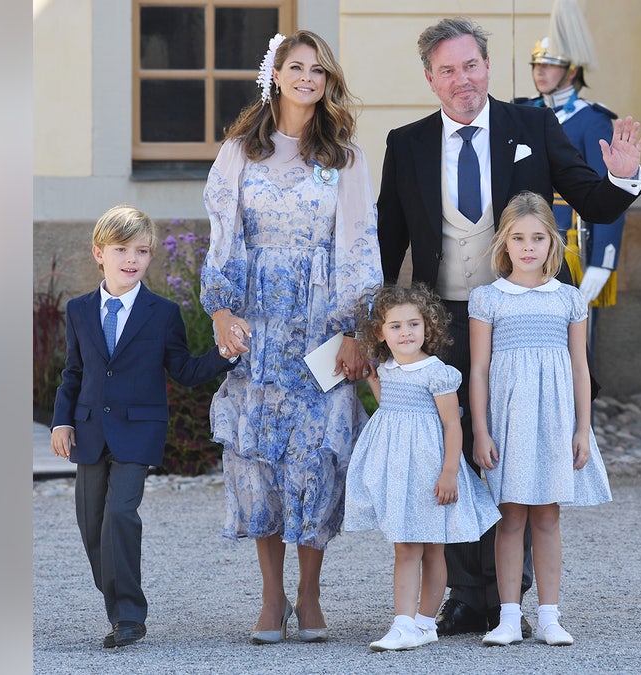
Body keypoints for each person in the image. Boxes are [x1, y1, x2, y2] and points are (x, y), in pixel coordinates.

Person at [375, 15, 641, 637]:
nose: (461, 79)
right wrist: (379, 328)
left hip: (522, 316)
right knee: (464, 443)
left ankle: (511, 598)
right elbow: (389, 240)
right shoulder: (407, 142)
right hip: (446, 318)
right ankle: (471, 593)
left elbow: (592, 198)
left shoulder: (531, 125)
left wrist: (624, 174)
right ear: (430, 79)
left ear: (487, 67)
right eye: (447, 70)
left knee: (514, 447)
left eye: (471, 65)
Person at [200, 30, 383, 644]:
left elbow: (359, 245)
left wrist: (360, 329)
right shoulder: (238, 152)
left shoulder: (345, 158)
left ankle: (310, 593)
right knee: (258, 462)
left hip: (324, 325)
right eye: (297, 67)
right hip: (258, 325)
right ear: (275, 74)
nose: (308, 78)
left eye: (319, 71)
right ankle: (271, 597)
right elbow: (222, 234)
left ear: (328, 82)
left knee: (315, 460)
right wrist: (221, 311)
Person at [50, 205, 237, 648]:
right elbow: (73, 372)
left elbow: (185, 370)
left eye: (142, 251)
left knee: (120, 514)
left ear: (150, 256)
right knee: (90, 522)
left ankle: (129, 617)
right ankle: (117, 599)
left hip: (140, 431)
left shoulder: (162, 312)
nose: (131, 259)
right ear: (100, 253)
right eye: (121, 250)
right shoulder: (78, 310)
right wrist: (61, 421)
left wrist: (226, 354)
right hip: (90, 430)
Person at [468, 191, 612, 647]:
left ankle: (549, 615)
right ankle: (508, 616)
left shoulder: (568, 299)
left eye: (537, 238)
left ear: (553, 242)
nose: (528, 247)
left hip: (553, 420)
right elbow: (478, 369)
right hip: (507, 421)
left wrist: (582, 428)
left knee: (547, 517)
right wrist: (481, 430)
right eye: (518, 238)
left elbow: (580, 367)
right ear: (503, 244)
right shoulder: (487, 299)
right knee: (510, 518)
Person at [343, 284, 500, 652]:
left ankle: (421, 624)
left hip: (430, 468)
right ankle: (405, 623)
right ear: (380, 333)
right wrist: (371, 379)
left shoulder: (437, 372)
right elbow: (390, 405)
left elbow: (450, 425)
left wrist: (449, 472)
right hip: (399, 469)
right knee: (406, 545)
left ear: (427, 328)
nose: (406, 333)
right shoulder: (387, 368)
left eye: (413, 324)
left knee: (432, 548)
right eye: (395, 326)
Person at [513, 0, 627, 312]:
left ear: (572, 70)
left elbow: (606, 192)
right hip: (520, 238)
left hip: (570, 242)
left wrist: (603, 260)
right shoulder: (521, 112)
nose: (540, 71)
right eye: (536, 64)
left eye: (548, 65)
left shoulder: (591, 120)